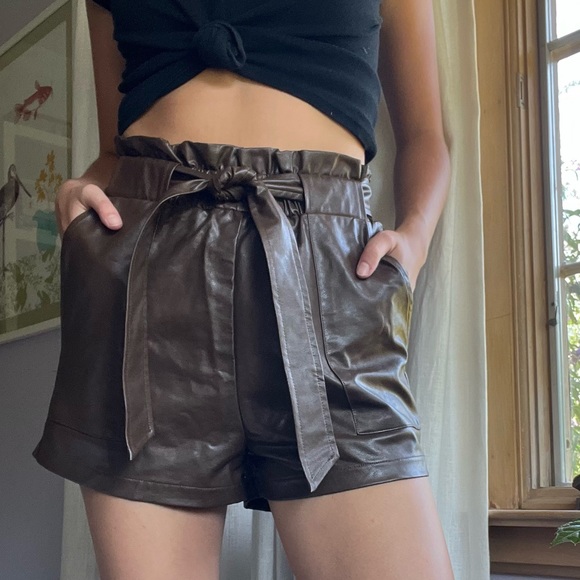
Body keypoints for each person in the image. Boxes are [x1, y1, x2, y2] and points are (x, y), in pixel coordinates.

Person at [33, 0, 454, 578]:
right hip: (144, 279)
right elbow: (114, 150)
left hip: (331, 276)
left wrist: (415, 240)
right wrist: (78, 190)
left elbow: (426, 135)